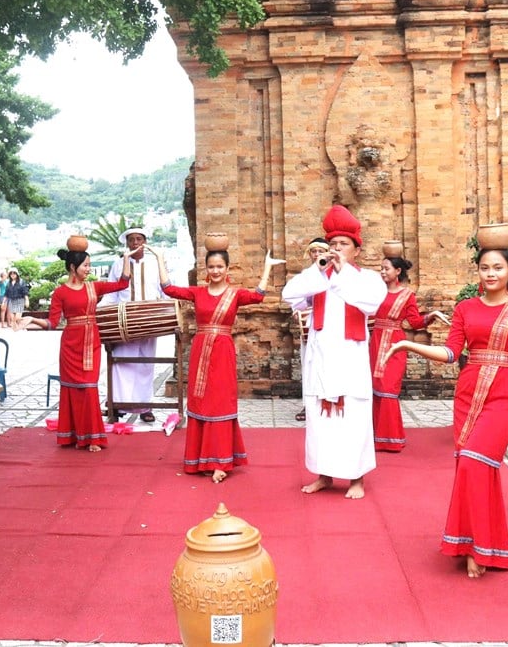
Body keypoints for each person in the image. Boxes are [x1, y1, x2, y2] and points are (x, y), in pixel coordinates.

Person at [381, 243, 508, 578]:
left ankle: (481, 546)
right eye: (484, 267)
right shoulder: (465, 308)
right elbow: (452, 353)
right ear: (478, 272)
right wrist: (408, 343)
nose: (491, 273)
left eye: (497, 267)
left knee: (476, 462)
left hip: (505, 394)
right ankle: (477, 545)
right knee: (468, 465)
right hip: (468, 391)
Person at [152, 244, 285, 483]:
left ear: (227, 269)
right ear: (206, 269)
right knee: (201, 401)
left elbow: (258, 295)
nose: (215, 271)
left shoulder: (235, 294)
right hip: (201, 350)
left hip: (222, 351)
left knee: (221, 402)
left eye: (219, 267)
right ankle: (201, 459)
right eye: (211, 267)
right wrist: (160, 258)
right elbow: (169, 289)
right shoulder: (197, 293)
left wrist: (266, 268)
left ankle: (221, 462)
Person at [281, 205, 387, 499]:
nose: (337, 249)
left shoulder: (366, 278)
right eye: (333, 245)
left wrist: (340, 275)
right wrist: (319, 269)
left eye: (343, 245)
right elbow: (289, 294)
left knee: (354, 419)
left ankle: (356, 479)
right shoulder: (317, 278)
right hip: (321, 359)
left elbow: (370, 304)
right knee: (320, 421)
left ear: (356, 250)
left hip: (349, 359)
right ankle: (324, 475)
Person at [46, 246, 131, 451]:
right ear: (73, 267)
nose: (89, 269)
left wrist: (126, 259)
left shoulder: (94, 288)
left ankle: (93, 437)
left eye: (90, 265)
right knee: (71, 389)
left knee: (89, 387)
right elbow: (52, 323)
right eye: (86, 265)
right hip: (70, 345)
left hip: (90, 343)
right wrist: (29, 320)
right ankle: (72, 436)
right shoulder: (60, 293)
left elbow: (122, 283)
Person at [369, 254, 434, 452]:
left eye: (386, 268)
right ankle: (375, 436)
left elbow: (414, 322)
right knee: (375, 388)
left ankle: (391, 439)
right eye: (381, 268)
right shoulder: (374, 292)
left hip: (395, 344)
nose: (382, 271)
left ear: (398, 271)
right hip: (375, 341)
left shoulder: (407, 295)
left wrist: (431, 316)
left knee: (388, 388)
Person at [99, 227, 164, 424]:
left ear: (145, 242)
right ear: (126, 243)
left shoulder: (155, 263)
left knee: (145, 364)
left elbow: (164, 290)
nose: (135, 243)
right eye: (131, 240)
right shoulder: (118, 264)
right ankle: (118, 404)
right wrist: (101, 313)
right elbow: (111, 294)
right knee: (122, 362)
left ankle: (145, 407)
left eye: (139, 239)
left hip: (149, 319)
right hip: (123, 319)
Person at [290, 238, 330, 422]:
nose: (317, 254)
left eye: (321, 251)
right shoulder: (307, 275)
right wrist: (297, 311)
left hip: (331, 326)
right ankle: (309, 405)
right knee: (309, 365)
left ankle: (329, 401)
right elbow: (298, 300)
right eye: (314, 251)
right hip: (311, 325)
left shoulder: (336, 273)